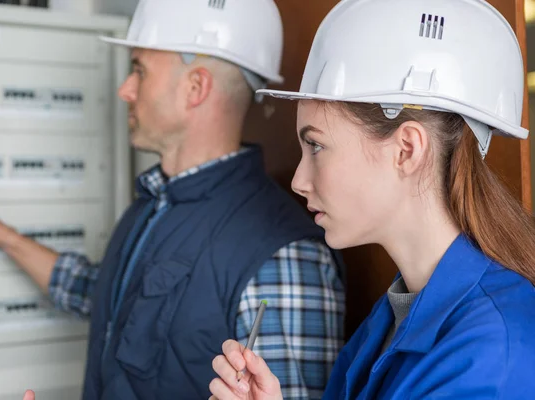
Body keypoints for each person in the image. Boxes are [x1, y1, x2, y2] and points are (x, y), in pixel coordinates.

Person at [0, 0, 346, 399]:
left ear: (196, 87)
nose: (125, 89)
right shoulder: (153, 205)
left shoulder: (284, 257)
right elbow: (102, 298)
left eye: (139, 70)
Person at [209, 0, 535, 398]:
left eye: (315, 145)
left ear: (406, 151)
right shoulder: (389, 320)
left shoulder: (492, 357)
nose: (297, 180)